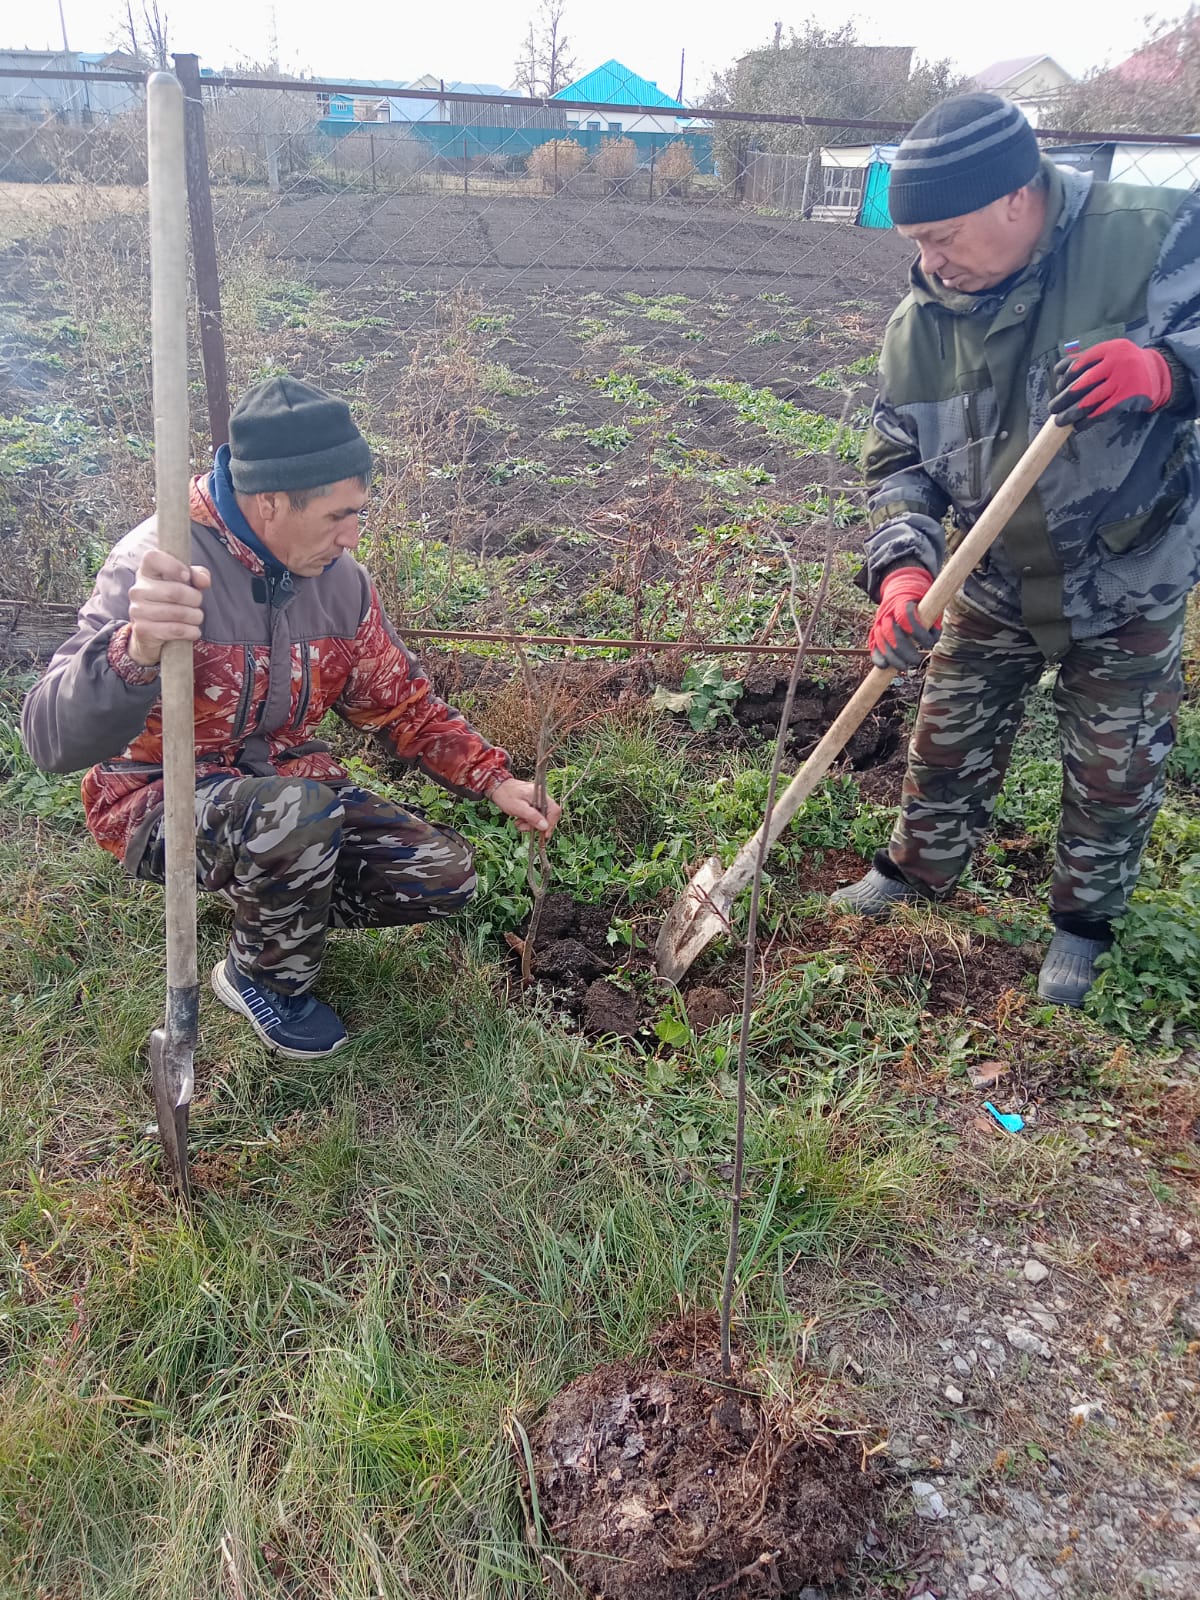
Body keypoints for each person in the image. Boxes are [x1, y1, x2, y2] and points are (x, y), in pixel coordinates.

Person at [22, 376, 560, 1058]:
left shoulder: (341, 584)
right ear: (270, 503)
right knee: (296, 816)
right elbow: (48, 740)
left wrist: (492, 779)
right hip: (159, 799)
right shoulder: (156, 566)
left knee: (443, 873)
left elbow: (398, 700)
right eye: (338, 515)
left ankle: (271, 898)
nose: (353, 534)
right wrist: (134, 649)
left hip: (284, 790)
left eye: (359, 512)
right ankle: (261, 979)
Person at [831, 93, 1200, 1007]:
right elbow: (898, 462)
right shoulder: (918, 328)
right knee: (947, 737)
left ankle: (1081, 928)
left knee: (1116, 764)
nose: (931, 259)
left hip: (1128, 570)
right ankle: (915, 873)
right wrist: (906, 570)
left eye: (943, 233)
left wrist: (1169, 370)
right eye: (915, 240)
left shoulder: (1152, 232)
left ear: (1016, 198)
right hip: (993, 577)